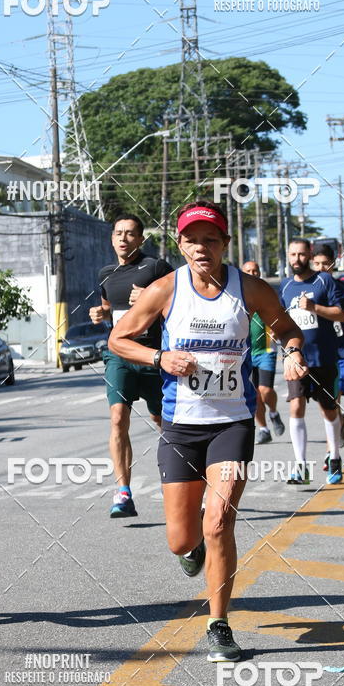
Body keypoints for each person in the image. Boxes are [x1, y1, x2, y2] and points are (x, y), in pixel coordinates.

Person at [108, 201, 307, 662]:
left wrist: (294, 351)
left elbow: (286, 329)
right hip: (180, 426)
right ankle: (191, 547)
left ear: (225, 244)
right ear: (180, 244)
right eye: (192, 239)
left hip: (232, 423)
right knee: (182, 539)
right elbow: (118, 338)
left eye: (211, 239)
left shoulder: (250, 289)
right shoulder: (164, 289)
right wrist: (159, 358)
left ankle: (219, 624)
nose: (202, 247)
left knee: (219, 521)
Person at [89, 214, 173, 518]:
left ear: (140, 239)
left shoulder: (156, 268)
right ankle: (123, 492)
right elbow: (112, 307)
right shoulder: (105, 273)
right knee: (117, 418)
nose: (123, 238)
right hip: (119, 355)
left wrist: (155, 298)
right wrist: (100, 312)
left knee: (165, 423)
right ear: (112, 238)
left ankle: (181, 481)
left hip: (153, 355)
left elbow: (181, 302)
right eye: (118, 233)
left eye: (130, 234)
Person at [279, 239, 344, 485]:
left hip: (324, 358)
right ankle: (300, 466)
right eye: (292, 254)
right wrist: (286, 351)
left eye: (301, 254)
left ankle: (335, 458)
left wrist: (314, 307)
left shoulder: (324, 281)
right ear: (288, 256)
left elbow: (343, 314)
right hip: (296, 358)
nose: (296, 259)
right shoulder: (285, 287)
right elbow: (279, 324)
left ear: (309, 254)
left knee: (329, 411)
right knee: (296, 407)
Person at [311, 244, 344, 449]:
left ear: (333, 264)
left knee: (331, 400)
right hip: (318, 353)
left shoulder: (343, 289)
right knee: (326, 404)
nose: (321, 268)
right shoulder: (309, 290)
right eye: (317, 264)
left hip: (340, 352)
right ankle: (339, 423)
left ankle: (331, 451)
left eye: (325, 264)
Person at [241, 260, 285, 444]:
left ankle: (273, 413)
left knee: (265, 390)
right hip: (246, 353)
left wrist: (276, 328)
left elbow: (281, 315)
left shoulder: (267, 293)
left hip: (266, 349)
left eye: (255, 270)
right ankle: (264, 429)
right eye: (248, 271)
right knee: (254, 394)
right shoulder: (238, 295)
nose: (253, 273)